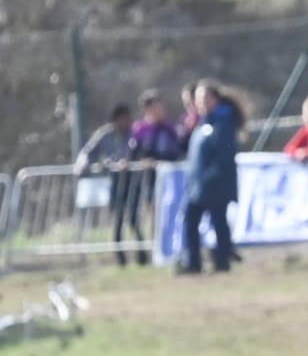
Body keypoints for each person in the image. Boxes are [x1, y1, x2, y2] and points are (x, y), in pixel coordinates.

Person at [177, 81, 243, 276]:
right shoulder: (201, 123)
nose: (201, 103)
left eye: (205, 98)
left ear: (215, 99)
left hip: (215, 184)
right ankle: (193, 262)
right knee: (190, 221)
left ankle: (222, 260)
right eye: (198, 99)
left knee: (218, 221)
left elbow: (223, 155)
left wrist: (211, 177)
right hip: (197, 185)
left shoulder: (223, 122)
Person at [74, 103, 136, 266]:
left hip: (132, 182)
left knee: (134, 219)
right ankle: (120, 257)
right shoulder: (105, 134)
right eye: (123, 118)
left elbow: (138, 152)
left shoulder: (133, 134)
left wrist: (128, 161)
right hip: (114, 184)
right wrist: (86, 164)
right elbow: (87, 152)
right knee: (118, 220)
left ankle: (142, 255)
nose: (126, 121)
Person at [127, 90, 184, 266]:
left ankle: (171, 249)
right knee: (153, 215)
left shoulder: (169, 128)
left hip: (169, 179)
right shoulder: (140, 129)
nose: (160, 110)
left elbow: (176, 151)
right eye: (156, 107)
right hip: (149, 180)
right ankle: (155, 250)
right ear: (148, 109)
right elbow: (133, 153)